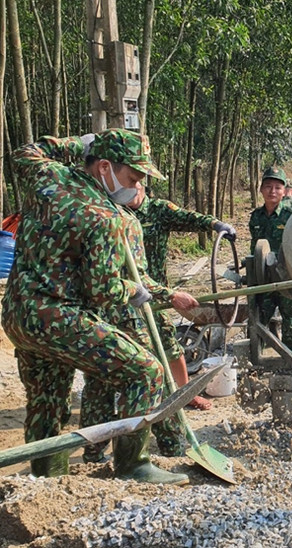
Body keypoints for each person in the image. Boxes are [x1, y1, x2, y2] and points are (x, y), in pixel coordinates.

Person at [1, 128, 189, 484]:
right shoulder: (106, 217)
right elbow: (102, 290)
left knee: (48, 402)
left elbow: (24, 152)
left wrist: (76, 143)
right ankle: (134, 465)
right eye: (133, 177)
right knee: (147, 372)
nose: (136, 187)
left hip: (18, 314)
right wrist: (131, 290)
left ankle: (48, 481)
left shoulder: (48, 175)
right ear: (105, 167)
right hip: (59, 317)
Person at [80, 188, 200, 463]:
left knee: (100, 381)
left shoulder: (88, 213)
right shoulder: (118, 220)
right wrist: (169, 295)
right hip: (121, 315)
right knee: (152, 375)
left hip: (95, 316)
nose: (134, 187)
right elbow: (140, 279)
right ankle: (167, 446)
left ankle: (96, 451)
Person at [130, 185, 236, 411]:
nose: (130, 189)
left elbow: (189, 218)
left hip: (155, 297)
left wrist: (216, 225)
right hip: (124, 295)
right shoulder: (115, 211)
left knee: (169, 343)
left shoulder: (158, 210)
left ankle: (185, 393)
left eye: (135, 183)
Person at [249, 167, 292, 352]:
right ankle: (256, 360)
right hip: (264, 279)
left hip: (288, 278)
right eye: (268, 186)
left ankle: (290, 361)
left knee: (290, 321)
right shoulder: (256, 217)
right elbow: (255, 248)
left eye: (278, 187)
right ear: (261, 189)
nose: (272, 191)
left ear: (284, 191)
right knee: (257, 319)